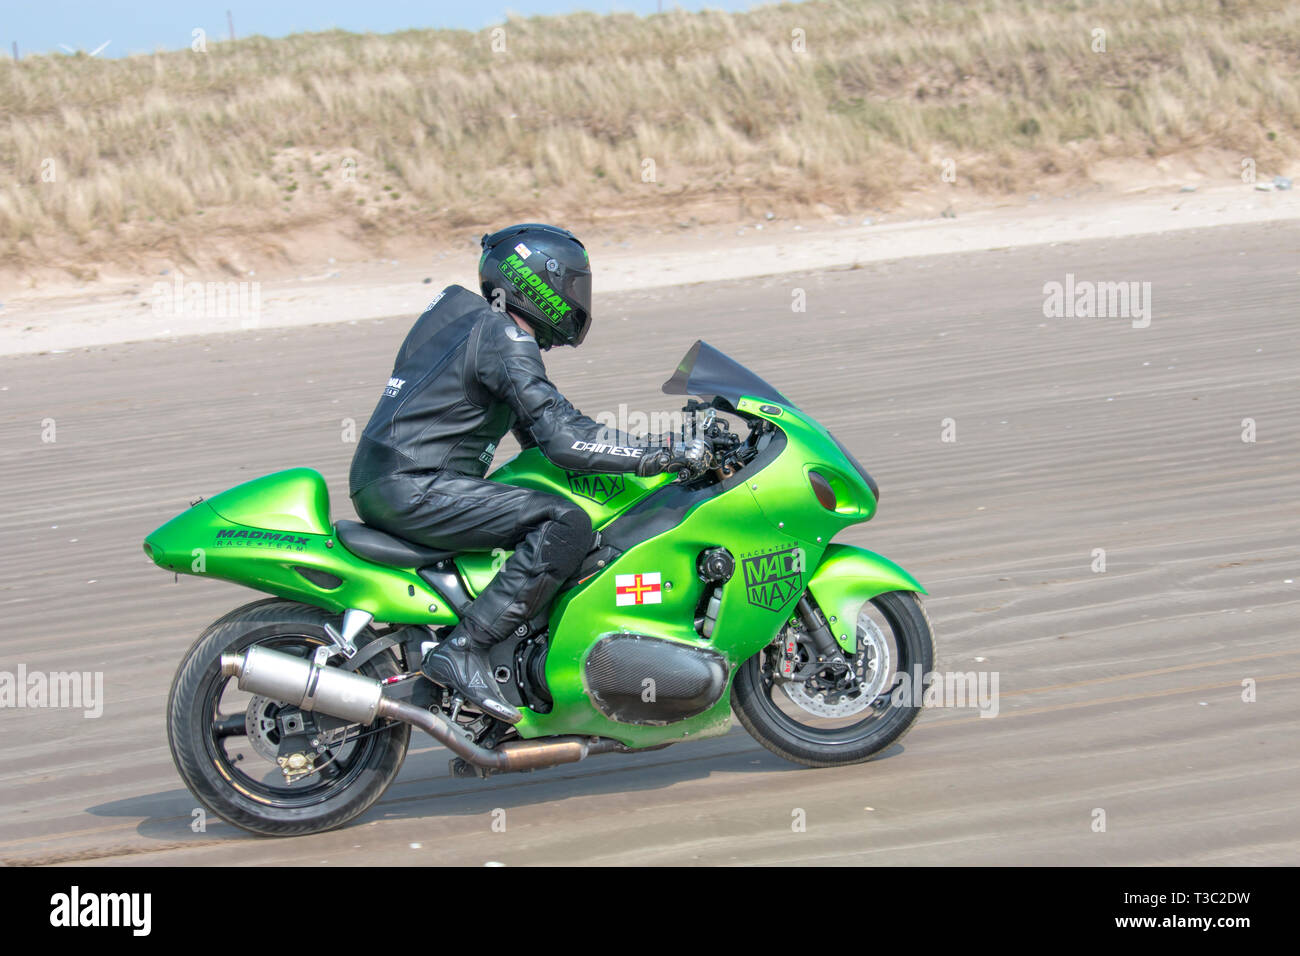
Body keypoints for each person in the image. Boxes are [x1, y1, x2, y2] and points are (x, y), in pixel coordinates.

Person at [348, 223, 712, 724]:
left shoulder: (460, 316)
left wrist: (626, 453)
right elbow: (564, 435)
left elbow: (542, 431)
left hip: (389, 480)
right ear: (540, 280)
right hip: (417, 486)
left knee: (550, 503)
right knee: (564, 523)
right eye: (572, 286)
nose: (577, 299)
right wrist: (663, 455)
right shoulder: (505, 335)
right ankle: (465, 649)